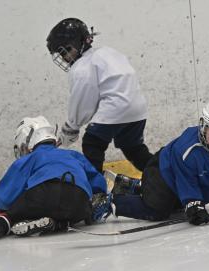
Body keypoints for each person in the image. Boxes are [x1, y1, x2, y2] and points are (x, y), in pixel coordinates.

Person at [0, 116, 112, 244]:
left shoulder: (31, 158)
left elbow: (3, 199)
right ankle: (56, 224)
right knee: (70, 214)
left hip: (43, 194)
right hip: (79, 200)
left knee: (13, 213)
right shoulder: (73, 155)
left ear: (27, 142)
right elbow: (99, 184)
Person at [104, 99, 209, 225]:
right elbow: (187, 182)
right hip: (163, 173)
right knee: (158, 210)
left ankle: (133, 186)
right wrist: (194, 205)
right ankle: (109, 202)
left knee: (177, 205)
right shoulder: (187, 149)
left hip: (183, 183)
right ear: (204, 127)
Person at [46, 18, 153, 173]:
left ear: (79, 43)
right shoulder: (108, 52)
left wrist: (71, 127)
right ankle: (164, 176)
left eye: (66, 51)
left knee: (92, 144)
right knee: (134, 149)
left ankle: (96, 192)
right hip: (138, 110)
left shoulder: (82, 66)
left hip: (116, 108)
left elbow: (84, 101)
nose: (64, 58)